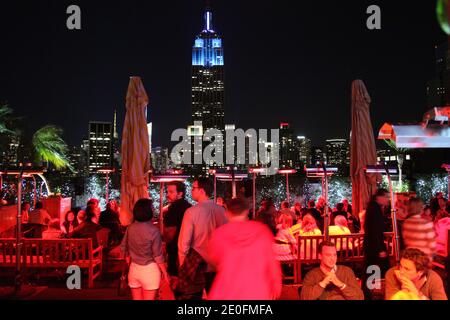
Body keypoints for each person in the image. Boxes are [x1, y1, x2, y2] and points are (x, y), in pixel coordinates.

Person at [207, 198, 282, 300]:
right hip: (258, 291)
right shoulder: (262, 231)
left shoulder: (219, 234)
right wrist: (276, 284)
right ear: (246, 211)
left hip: (227, 292)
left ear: (227, 212)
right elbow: (272, 262)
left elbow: (214, 260)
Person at [177, 177, 227, 299]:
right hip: (217, 264)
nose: (191, 191)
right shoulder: (222, 211)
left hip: (197, 265)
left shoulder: (191, 212)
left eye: (193, 188)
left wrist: (183, 265)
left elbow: (183, 243)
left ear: (202, 191)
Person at [120, 198, 169, 300]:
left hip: (134, 269)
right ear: (148, 211)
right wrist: (165, 272)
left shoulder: (130, 228)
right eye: (152, 208)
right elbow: (157, 255)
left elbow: (123, 249)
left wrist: (129, 261)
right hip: (150, 271)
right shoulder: (154, 231)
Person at [363, 189, 390, 298]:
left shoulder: (373, 207)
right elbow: (375, 230)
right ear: (380, 197)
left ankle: (371, 291)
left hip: (372, 245)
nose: (388, 200)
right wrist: (380, 248)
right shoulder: (375, 209)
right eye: (387, 197)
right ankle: (371, 292)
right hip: (374, 246)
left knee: (372, 268)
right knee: (374, 268)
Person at [162, 181, 191, 278]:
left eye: (171, 192)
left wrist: (165, 243)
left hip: (175, 249)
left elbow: (169, 232)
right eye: (167, 192)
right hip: (188, 249)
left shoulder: (173, 208)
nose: (167, 195)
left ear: (180, 193)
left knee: (174, 279)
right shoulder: (189, 207)